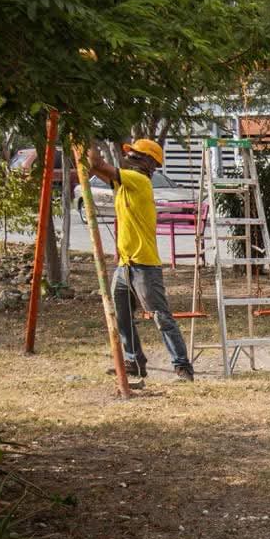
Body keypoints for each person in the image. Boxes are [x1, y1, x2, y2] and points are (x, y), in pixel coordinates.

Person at [86, 139, 193, 382]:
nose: (128, 157)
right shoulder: (125, 183)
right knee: (121, 315)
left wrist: (86, 133)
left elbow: (95, 163)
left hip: (144, 264)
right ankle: (134, 361)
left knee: (160, 316)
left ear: (148, 163)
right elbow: (93, 168)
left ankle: (183, 367)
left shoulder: (138, 181)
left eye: (134, 155)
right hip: (125, 264)